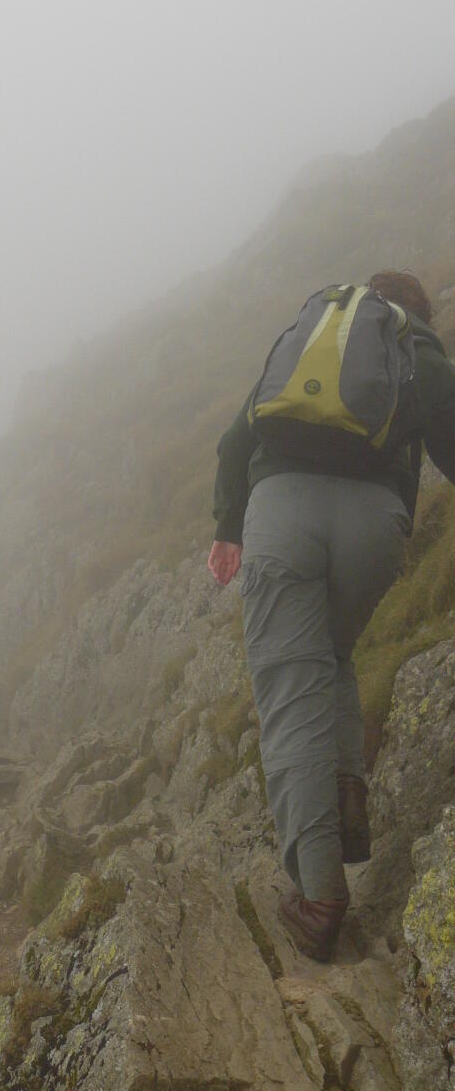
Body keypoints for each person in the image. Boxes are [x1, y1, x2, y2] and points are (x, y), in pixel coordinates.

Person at [209, 271, 455, 961]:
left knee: (292, 688)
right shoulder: (417, 343)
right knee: (332, 656)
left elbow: (236, 438)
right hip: (376, 524)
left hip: (283, 509)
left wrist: (228, 526)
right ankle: (346, 798)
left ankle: (318, 897)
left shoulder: (315, 337)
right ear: (418, 310)